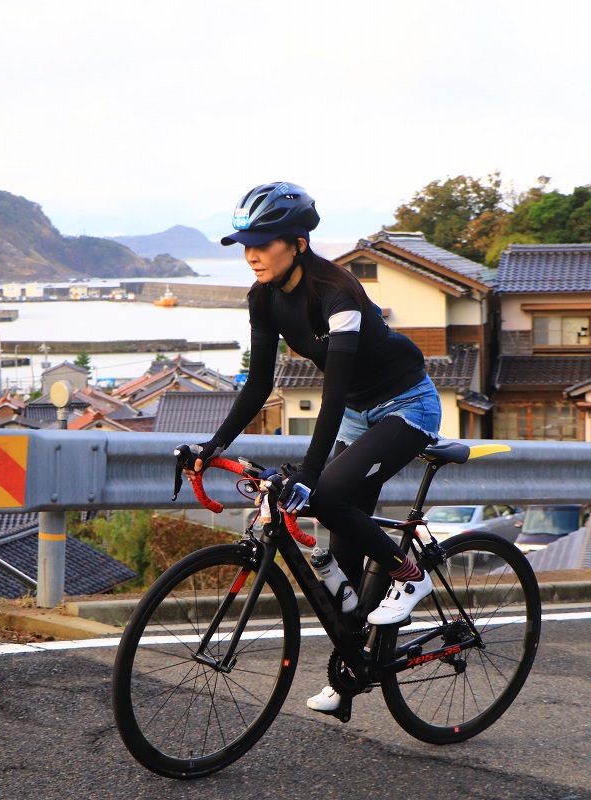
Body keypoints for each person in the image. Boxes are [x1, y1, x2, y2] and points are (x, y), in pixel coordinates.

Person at [188, 181, 442, 714]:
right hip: (353, 414)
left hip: (405, 405)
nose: (252, 254)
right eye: (244, 244)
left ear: (298, 242)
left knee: (326, 496)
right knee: (342, 580)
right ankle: (352, 669)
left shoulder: (338, 293)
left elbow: (330, 391)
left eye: (264, 242)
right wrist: (213, 446)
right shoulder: (262, 296)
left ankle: (409, 576)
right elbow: (258, 386)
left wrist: (306, 472)